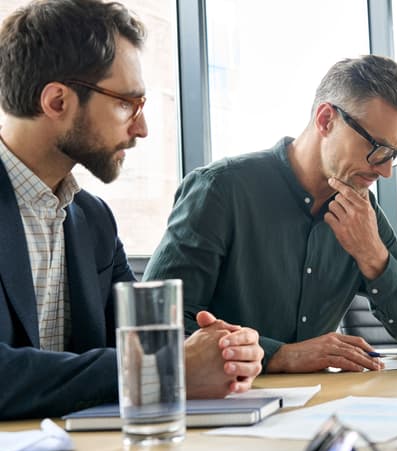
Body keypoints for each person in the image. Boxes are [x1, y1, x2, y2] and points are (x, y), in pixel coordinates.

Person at [0, 0, 262, 420]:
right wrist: (167, 368)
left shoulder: (94, 220)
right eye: (127, 103)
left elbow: (141, 344)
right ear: (57, 102)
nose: (142, 128)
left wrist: (224, 353)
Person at [144, 55, 397, 373]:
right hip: (227, 408)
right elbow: (155, 323)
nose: (385, 172)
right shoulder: (220, 190)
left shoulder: (362, 213)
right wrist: (281, 355)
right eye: (377, 148)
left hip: (321, 410)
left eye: (395, 155)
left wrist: (373, 256)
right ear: (326, 120)